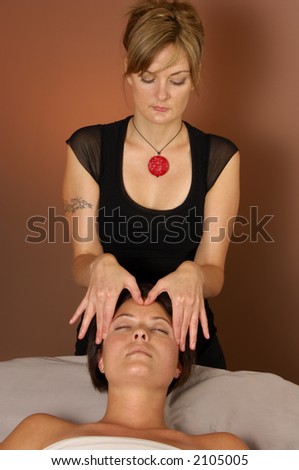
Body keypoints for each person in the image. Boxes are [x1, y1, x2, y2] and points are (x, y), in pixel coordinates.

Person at [63, 0, 240, 366]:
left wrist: (194, 273)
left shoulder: (220, 157)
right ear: (128, 72)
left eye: (177, 80)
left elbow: (214, 272)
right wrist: (100, 264)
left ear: (195, 76)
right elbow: (82, 258)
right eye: (148, 78)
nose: (162, 94)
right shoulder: (88, 148)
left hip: (187, 338)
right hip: (110, 340)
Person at [0, 284, 248, 450]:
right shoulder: (40, 431)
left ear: (179, 365)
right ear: (101, 359)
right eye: (123, 326)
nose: (140, 333)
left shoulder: (221, 448)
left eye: (159, 329)